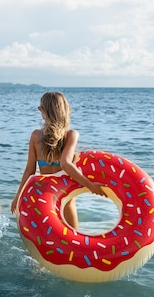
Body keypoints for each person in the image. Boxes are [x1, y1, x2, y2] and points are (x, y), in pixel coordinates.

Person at [10, 92, 106, 229]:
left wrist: (17, 197)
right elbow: (65, 164)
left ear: (45, 111)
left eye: (40, 108)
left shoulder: (36, 136)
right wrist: (90, 185)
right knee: (73, 242)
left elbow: (29, 170)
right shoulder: (71, 135)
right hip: (65, 199)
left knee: (42, 245)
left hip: (43, 198)